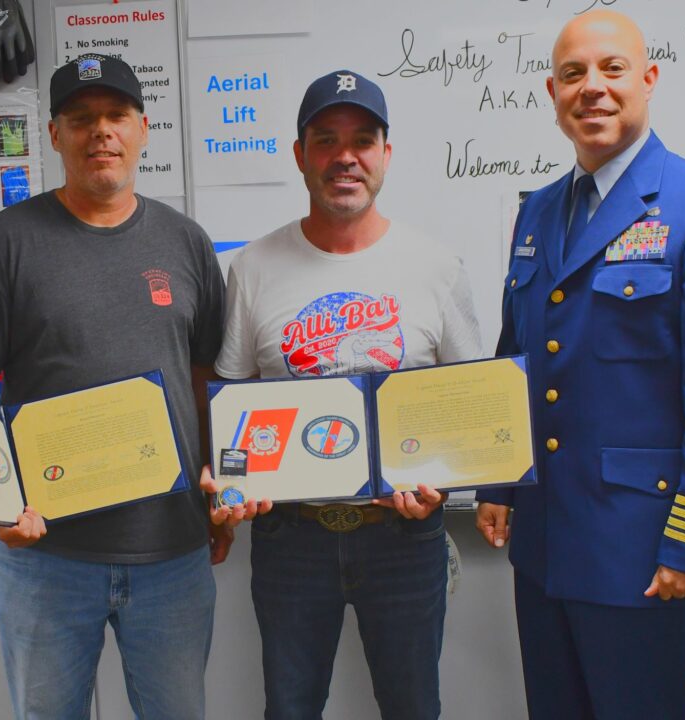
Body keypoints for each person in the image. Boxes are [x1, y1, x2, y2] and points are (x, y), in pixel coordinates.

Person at [475, 10, 685, 719]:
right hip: (544, 548)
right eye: (574, 74)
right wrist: (498, 479)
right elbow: (516, 353)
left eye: (612, 69)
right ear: (552, 93)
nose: (593, 88)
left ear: (648, 80)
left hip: (644, 551)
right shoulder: (540, 212)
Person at [0, 54, 227, 720]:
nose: (102, 132)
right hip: (46, 558)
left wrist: (219, 484)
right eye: (81, 119)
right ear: (55, 135)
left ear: (143, 129)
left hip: (171, 556)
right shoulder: (1, 244)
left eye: (116, 116)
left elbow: (205, 377)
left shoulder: (186, 243)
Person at [207, 70, 482, 720]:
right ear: (301, 155)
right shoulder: (252, 267)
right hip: (289, 538)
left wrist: (443, 484)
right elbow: (233, 401)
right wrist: (232, 486)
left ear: (386, 153)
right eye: (325, 140)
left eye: (363, 139)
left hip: (404, 536)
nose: (345, 156)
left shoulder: (436, 266)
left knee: (414, 708)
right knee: (291, 709)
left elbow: (470, 404)